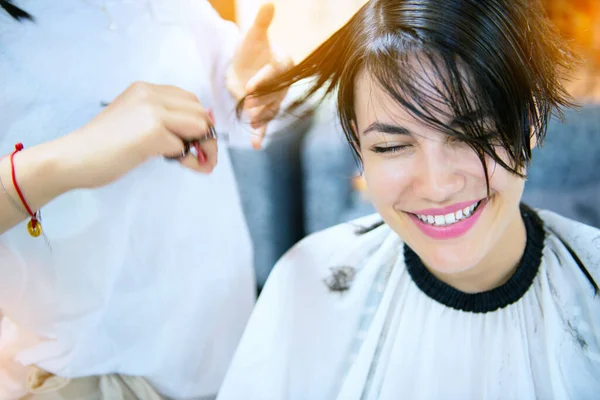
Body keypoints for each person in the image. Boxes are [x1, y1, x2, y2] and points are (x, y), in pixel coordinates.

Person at [217, 0, 600, 398]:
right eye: (392, 147)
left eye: (472, 136)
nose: (436, 186)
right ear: (358, 143)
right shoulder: (308, 287)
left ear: (532, 118)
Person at [0, 0, 291, 398]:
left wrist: (250, 92)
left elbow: (231, 105)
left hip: (224, 354)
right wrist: (69, 157)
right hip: (86, 375)